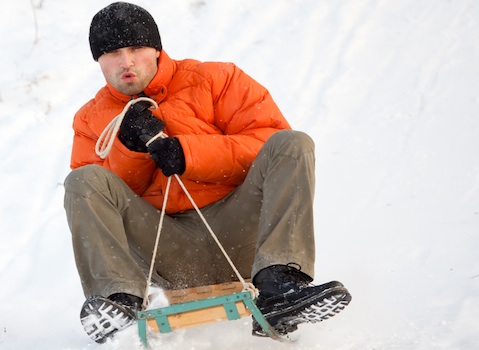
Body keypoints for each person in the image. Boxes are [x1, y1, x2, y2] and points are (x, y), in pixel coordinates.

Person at [63, 2, 352, 343]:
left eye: (136, 48)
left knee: (292, 143)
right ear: (99, 59)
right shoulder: (91, 119)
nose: (126, 62)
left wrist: (188, 152)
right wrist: (132, 152)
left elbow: (267, 141)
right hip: (166, 250)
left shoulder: (215, 79)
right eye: (112, 52)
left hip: (240, 232)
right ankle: (120, 305)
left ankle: (280, 286)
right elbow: (97, 200)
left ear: (156, 49)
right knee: (82, 182)